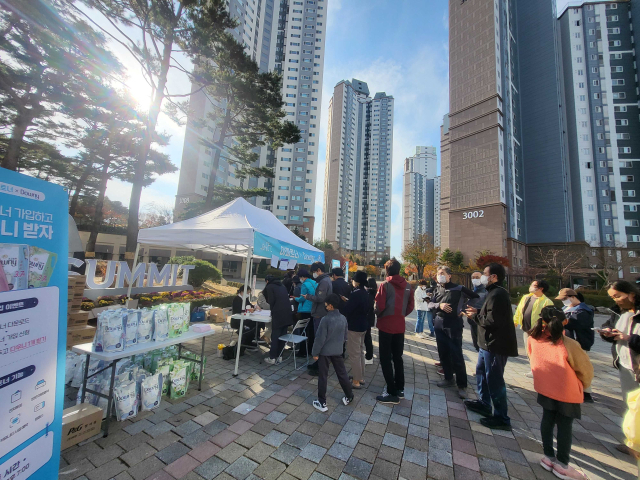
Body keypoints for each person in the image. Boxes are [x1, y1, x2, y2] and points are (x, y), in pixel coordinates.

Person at [528, 306, 593, 480]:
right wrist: (583, 385)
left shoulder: (533, 338)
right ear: (564, 321)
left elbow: (531, 357)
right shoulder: (568, 343)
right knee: (565, 425)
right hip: (567, 391)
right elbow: (585, 370)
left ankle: (548, 456)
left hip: (545, 386)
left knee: (547, 419)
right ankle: (562, 464)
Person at [464, 263, 518, 430]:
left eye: (485, 274)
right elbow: (488, 314)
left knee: (495, 380)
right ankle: (484, 403)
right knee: (481, 372)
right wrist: (478, 312)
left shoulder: (498, 294)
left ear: (494, 277)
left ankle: (502, 418)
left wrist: (474, 317)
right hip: (486, 345)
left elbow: (493, 321)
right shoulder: (492, 293)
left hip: (496, 345)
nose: (482, 277)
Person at [601, 280, 640, 456]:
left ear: (632, 294)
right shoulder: (619, 312)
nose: (616, 300)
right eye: (612, 297)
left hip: (637, 365)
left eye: (618, 296)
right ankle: (633, 443)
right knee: (631, 406)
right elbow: (607, 326)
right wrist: (607, 333)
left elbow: (629, 337)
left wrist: (629, 338)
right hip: (625, 364)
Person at [429, 266, 479, 399]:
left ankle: (462, 385)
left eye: (442, 273)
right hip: (439, 324)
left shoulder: (459, 288)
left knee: (456, 354)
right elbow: (430, 304)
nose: (440, 276)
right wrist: (439, 305)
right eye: (438, 273)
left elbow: (476, 297)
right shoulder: (438, 289)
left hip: (454, 326)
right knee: (443, 353)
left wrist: (463, 308)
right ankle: (448, 378)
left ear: (449, 275)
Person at [375, 258, 414, 404]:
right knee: (398, 357)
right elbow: (410, 306)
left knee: (385, 358)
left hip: (386, 325)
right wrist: (400, 315)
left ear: (387, 270)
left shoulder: (385, 285)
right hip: (400, 325)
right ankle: (400, 388)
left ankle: (391, 392)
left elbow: (379, 305)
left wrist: (378, 314)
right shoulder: (408, 286)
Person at [312, 294, 354, 411]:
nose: (325, 306)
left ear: (330, 306)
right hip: (338, 350)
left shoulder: (326, 319)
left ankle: (322, 402)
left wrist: (315, 352)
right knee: (342, 374)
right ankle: (349, 396)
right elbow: (345, 336)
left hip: (325, 352)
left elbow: (320, 339)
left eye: (326, 304)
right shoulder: (343, 318)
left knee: (323, 376)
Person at [558, 288, 595, 403]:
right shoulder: (565, 308)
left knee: (581, 367)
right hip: (566, 341)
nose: (564, 301)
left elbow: (575, 323)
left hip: (580, 343)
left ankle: (586, 392)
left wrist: (562, 321)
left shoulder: (583, 310)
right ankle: (571, 388)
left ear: (573, 297)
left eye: (565, 299)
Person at [513, 280, 554, 375]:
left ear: (540, 288)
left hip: (538, 331)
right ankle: (533, 369)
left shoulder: (547, 302)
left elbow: (548, 319)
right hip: (526, 329)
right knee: (528, 351)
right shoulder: (526, 297)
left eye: (533, 285)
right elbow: (519, 310)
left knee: (537, 352)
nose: (530, 286)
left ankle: (540, 370)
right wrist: (515, 321)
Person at [341, 271, 370, 388]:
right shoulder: (366, 293)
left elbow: (348, 310)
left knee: (354, 354)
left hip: (354, 326)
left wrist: (346, 303)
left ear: (356, 281)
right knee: (360, 352)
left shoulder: (355, 294)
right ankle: (360, 377)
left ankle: (356, 381)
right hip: (363, 325)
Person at [303, 262, 333, 375]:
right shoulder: (326, 280)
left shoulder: (324, 282)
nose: (314, 274)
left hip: (320, 313)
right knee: (320, 339)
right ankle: (318, 363)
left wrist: (308, 297)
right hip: (322, 312)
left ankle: (320, 366)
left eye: (314, 272)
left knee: (320, 339)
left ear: (319, 270)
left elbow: (320, 298)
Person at [263, 275, 294, 365]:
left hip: (278, 314)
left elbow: (271, 301)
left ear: (268, 281)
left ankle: (272, 357)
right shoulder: (282, 286)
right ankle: (279, 356)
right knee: (283, 336)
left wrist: (272, 312)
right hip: (287, 313)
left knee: (275, 336)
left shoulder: (270, 286)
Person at [294, 269, 317, 356]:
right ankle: (310, 350)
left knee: (303, 331)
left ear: (302, 277)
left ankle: (302, 351)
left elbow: (302, 298)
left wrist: (295, 298)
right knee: (311, 331)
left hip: (304, 310)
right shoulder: (314, 283)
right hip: (313, 309)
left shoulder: (305, 285)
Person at [466, 271, 489, 350]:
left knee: (482, 345)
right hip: (472, 320)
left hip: (481, 321)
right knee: (476, 344)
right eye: (473, 277)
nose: (475, 279)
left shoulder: (486, 292)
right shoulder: (472, 291)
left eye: (477, 277)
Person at [365, 277, 377, 365]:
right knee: (367, 336)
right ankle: (369, 355)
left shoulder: (368, 293)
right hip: (370, 317)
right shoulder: (375, 292)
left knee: (366, 337)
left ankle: (369, 356)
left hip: (366, 317)